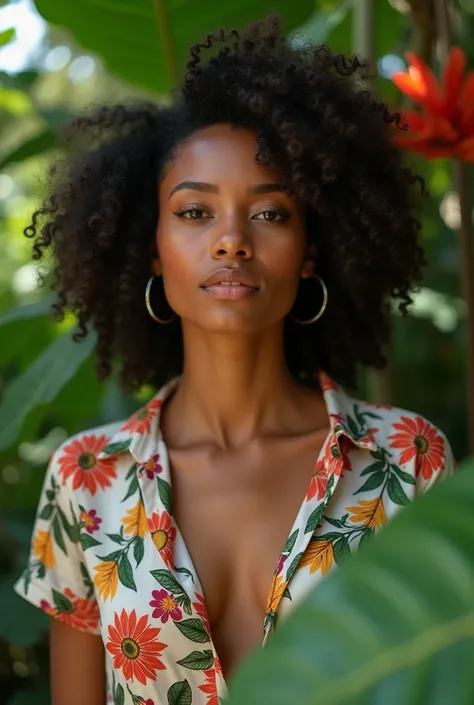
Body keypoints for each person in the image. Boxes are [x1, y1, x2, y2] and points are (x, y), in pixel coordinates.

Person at [14, 12, 454, 705]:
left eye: (271, 212)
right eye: (194, 212)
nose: (231, 241)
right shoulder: (87, 482)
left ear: (311, 248)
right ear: (151, 245)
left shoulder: (408, 462)